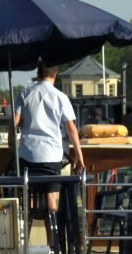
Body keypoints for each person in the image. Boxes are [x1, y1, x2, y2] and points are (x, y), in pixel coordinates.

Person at [14, 60, 85, 241]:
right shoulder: (61, 97)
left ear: (38, 73)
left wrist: (10, 144)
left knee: (28, 198)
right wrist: (79, 155)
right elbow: (71, 128)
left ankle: (25, 241)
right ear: (55, 73)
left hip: (28, 156)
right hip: (51, 157)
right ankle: (53, 244)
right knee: (52, 202)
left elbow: (15, 121)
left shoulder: (24, 93)